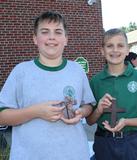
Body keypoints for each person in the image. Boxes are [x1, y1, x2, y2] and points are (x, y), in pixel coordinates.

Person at [0, 11, 95, 160]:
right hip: (29, 155)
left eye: (58, 32)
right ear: (35, 39)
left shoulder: (76, 70)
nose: (51, 37)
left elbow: (88, 105)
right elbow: (2, 116)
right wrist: (36, 112)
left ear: (66, 39)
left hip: (74, 153)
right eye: (45, 32)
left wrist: (81, 113)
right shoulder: (21, 71)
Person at [87, 28, 137, 160]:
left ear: (127, 50)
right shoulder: (95, 81)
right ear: (102, 51)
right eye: (110, 46)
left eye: (120, 45)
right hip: (104, 142)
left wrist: (126, 121)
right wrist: (98, 109)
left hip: (132, 142)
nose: (115, 50)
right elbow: (90, 120)